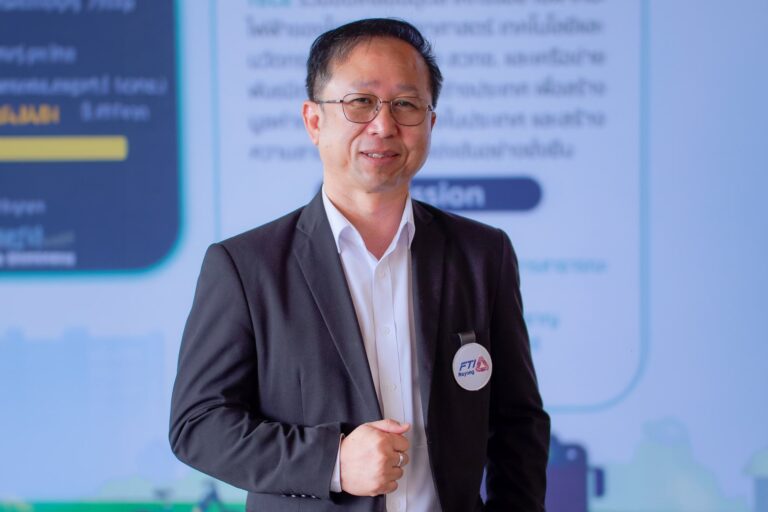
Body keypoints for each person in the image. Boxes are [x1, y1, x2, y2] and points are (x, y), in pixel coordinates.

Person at [170, 18, 550, 512]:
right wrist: (332, 462)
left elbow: (518, 422)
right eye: (361, 102)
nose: (384, 125)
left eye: (406, 104)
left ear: (430, 124)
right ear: (314, 121)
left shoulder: (481, 255)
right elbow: (198, 424)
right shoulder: (245, 267)